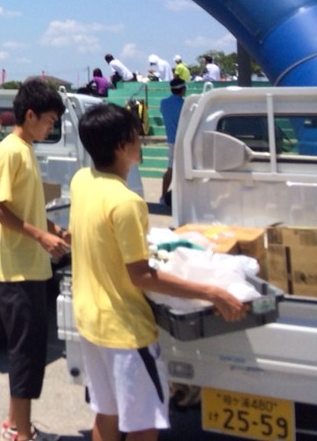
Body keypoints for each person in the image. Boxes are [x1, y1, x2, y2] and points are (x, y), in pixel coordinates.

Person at [71, 103, 245, 441]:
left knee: (106, 414)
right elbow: (141, 275)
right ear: (121, 145)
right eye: (136, 136)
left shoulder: (82, 181)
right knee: (143, 424)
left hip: (90, 321)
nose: (141, 141)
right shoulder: (126, 202)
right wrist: (212, 292)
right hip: (124, 331)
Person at [0, 78, 71, 441]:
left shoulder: (26, 149)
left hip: (30, 266)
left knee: (30, 351)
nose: (51, 128)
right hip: (17, 269)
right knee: (26, 354)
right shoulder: (12, 151)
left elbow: (25, 207)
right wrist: (40, 236)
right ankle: (22, 434)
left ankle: (15, 424)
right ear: (31, 115)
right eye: (49, 121)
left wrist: (53, 228)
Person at [159, 77, 185, 207]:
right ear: (183, 89)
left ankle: (163, 196)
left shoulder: (163, 103)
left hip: (171, 140)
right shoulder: (185, 104)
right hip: (183, 141)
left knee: (170, 169)